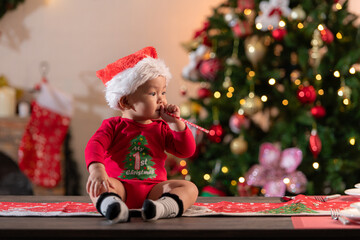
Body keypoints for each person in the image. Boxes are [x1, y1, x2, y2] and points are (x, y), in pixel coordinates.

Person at [85, 46, 198, 223]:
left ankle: (161, 208)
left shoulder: (162, 127)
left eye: (163, 92)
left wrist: (176, 124)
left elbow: (186, 151)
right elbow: (95, 145)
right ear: (125, 101)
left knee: (189, 187)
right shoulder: (113, 126)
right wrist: (97, 170)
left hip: (155, 191)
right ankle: (113, 207)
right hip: (120, 188)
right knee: (98, 186)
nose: (161, 99)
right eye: (153, 93)